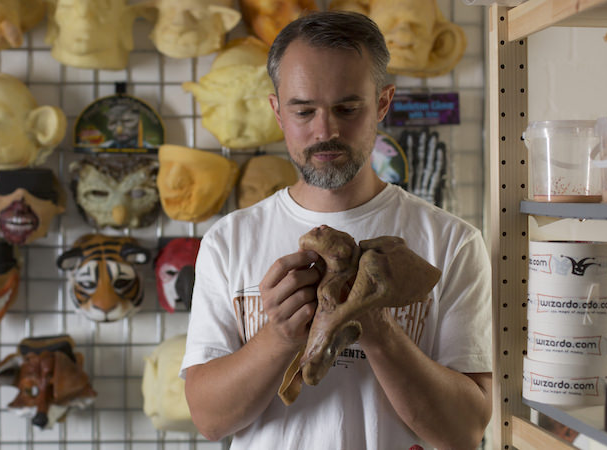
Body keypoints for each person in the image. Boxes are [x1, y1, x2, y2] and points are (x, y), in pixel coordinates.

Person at [180, 11, 492, 450]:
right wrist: (280, 336)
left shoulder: (453, 242)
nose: (325, 131)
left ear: (383, 103)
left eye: (347, 108)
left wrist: (377, 326)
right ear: (276, 111)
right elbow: (209, 420)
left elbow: (464, 432)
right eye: (303, 110)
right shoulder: (228, 241)